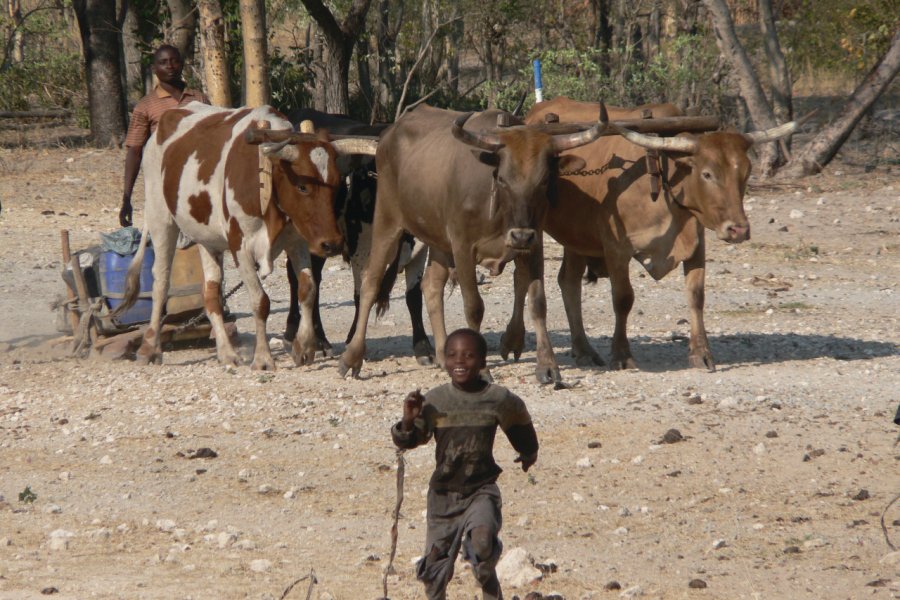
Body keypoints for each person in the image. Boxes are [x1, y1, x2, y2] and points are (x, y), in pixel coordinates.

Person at [391, 328, 539, 600]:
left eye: (469, 356)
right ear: (444, 361)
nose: (460, 361)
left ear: (483, 362)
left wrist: (529, 451)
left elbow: (519, 420)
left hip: (481, 489)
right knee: (435, 574)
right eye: (452, 355)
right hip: (443, 495)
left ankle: (489, 586)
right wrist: (408, 419)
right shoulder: (435, 400)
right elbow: (407, 441)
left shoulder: (497, 398)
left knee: (482, 542)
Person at [119, 44, 209, 227]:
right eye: (163, 62)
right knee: (167, 232)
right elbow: (135, 151)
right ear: (154, 69)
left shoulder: (199, 99)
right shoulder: (146, 106)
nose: (170, 66)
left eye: (175, 61)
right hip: (164, 181)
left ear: (181, 65)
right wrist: (126, 198)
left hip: (199, 179)